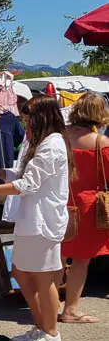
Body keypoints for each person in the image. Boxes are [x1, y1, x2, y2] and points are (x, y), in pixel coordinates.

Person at [0, 96, 76, 341]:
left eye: (29, 120)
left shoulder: (53, 145)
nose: (26, 125)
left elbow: (27, 185)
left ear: (42, 118)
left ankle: (50, 332)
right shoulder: (42, 143)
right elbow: (22, 175)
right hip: (31, 220)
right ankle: (42, 327)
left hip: (43, 222)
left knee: (44, 278)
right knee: (22, 273)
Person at [61, 93, 109, 323]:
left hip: (58, 202)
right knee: (80, 260)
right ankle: (70, 310)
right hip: (87, 207)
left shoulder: (60, 137)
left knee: (55, 258)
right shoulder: (101, 143)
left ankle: (46, 305)